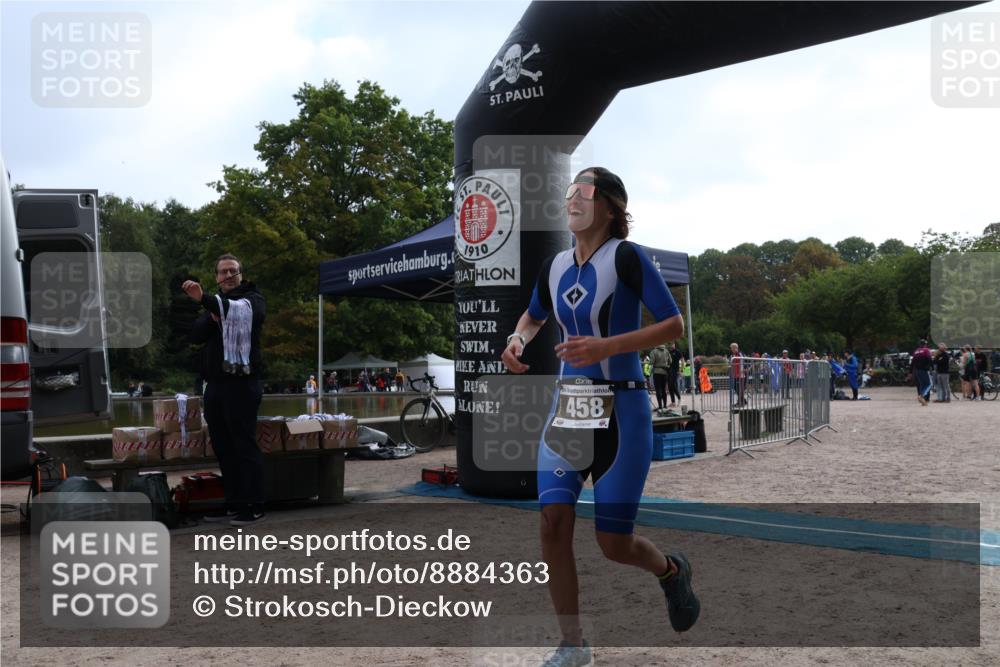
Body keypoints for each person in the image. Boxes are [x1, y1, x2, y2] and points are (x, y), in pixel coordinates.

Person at [499, 167, 699, 666]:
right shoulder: (554, 265)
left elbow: (673, 324)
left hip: (623, 410)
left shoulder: (627, 257)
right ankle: (572, 647)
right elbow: (534, 314)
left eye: (583, 192)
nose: (572, 199)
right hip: (569, 408)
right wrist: (517, 339)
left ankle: (671, 571)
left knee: (613, 543)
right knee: (552, 522)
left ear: (610, 207)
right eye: (569, 193)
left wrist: (607, 346)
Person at [184, 253, 266, 527]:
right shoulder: (216, 306)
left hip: (242, 383)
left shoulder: (252, 299)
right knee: (223, 447)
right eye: (223, 272)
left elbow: (236, 310)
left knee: (243, 443)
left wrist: (207, 301)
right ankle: (234, 502)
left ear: (241, 274)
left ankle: (254, 504)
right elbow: (196, 334)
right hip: (216, 386)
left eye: (233, 271)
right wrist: (211, 311)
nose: (228, 276)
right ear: (217, 277)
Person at [910, 340, 933, 406]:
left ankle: (923, 401)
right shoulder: (926, 350)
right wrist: (932, 368)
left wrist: (910, 372)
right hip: (924, 370)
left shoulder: (916, 351)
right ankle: (921, 395)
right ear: (925, 345)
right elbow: (929, 359)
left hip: (917, 370)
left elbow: (912, 362)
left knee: (922, 385)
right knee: (929, 384)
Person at [650, 343, 670, 410]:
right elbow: (670, 360)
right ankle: (665, 405)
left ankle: (660, 406)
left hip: (657, 372)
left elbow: (651, 362)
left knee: (658, 389)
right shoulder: (666, 351)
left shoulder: (653, 351)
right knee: (664, 389)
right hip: (664, 372)